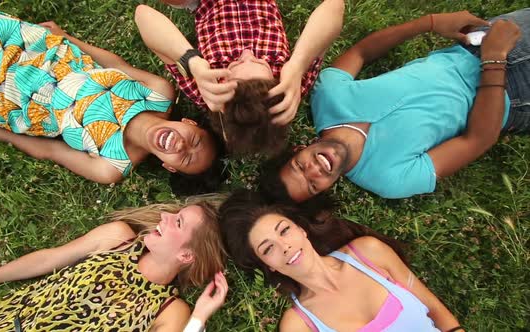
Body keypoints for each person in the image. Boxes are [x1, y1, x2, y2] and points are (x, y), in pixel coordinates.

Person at [262, 9, 527, 201]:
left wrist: (431, 22)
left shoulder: (327, 96)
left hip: (474, 43)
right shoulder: (389, 180)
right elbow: (477, 139)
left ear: (298, 149)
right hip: (514, 95)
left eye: (300, 166)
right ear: (326, 189)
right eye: (312, 186)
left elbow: (360, 52)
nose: (315, 170)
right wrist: (494, 60)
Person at [0, 8, 217, 184]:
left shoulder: (112, 166)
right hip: (41, 48)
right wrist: (67, 37)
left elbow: (51, 150)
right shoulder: (159, 93)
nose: (182, 147)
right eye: (194, 141)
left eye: (186, 159)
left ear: (169, 166)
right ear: (189, 124)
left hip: (8, 96)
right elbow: (116, 64)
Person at [0, 201, 228, 331]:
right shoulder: (118, 239)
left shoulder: (171, 311)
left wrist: (199, 318)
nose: (164, 215)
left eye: (177, 222)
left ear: (186, 256)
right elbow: (49, 258)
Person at [219, 190, 463, 332]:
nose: (285, 247)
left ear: (301, 229)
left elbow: (437, 310)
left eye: (284, 231)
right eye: (268, 248)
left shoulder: (369, 253)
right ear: (268, 265)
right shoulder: (298, 325)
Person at [134, 0, 344, 155]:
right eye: (261, 62)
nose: (247, 53)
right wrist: (298, 65)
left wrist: (192, 61)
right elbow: (334, 7)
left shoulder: (209, 90)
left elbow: (143, 15)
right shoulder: (287, 87)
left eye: (237, 64)